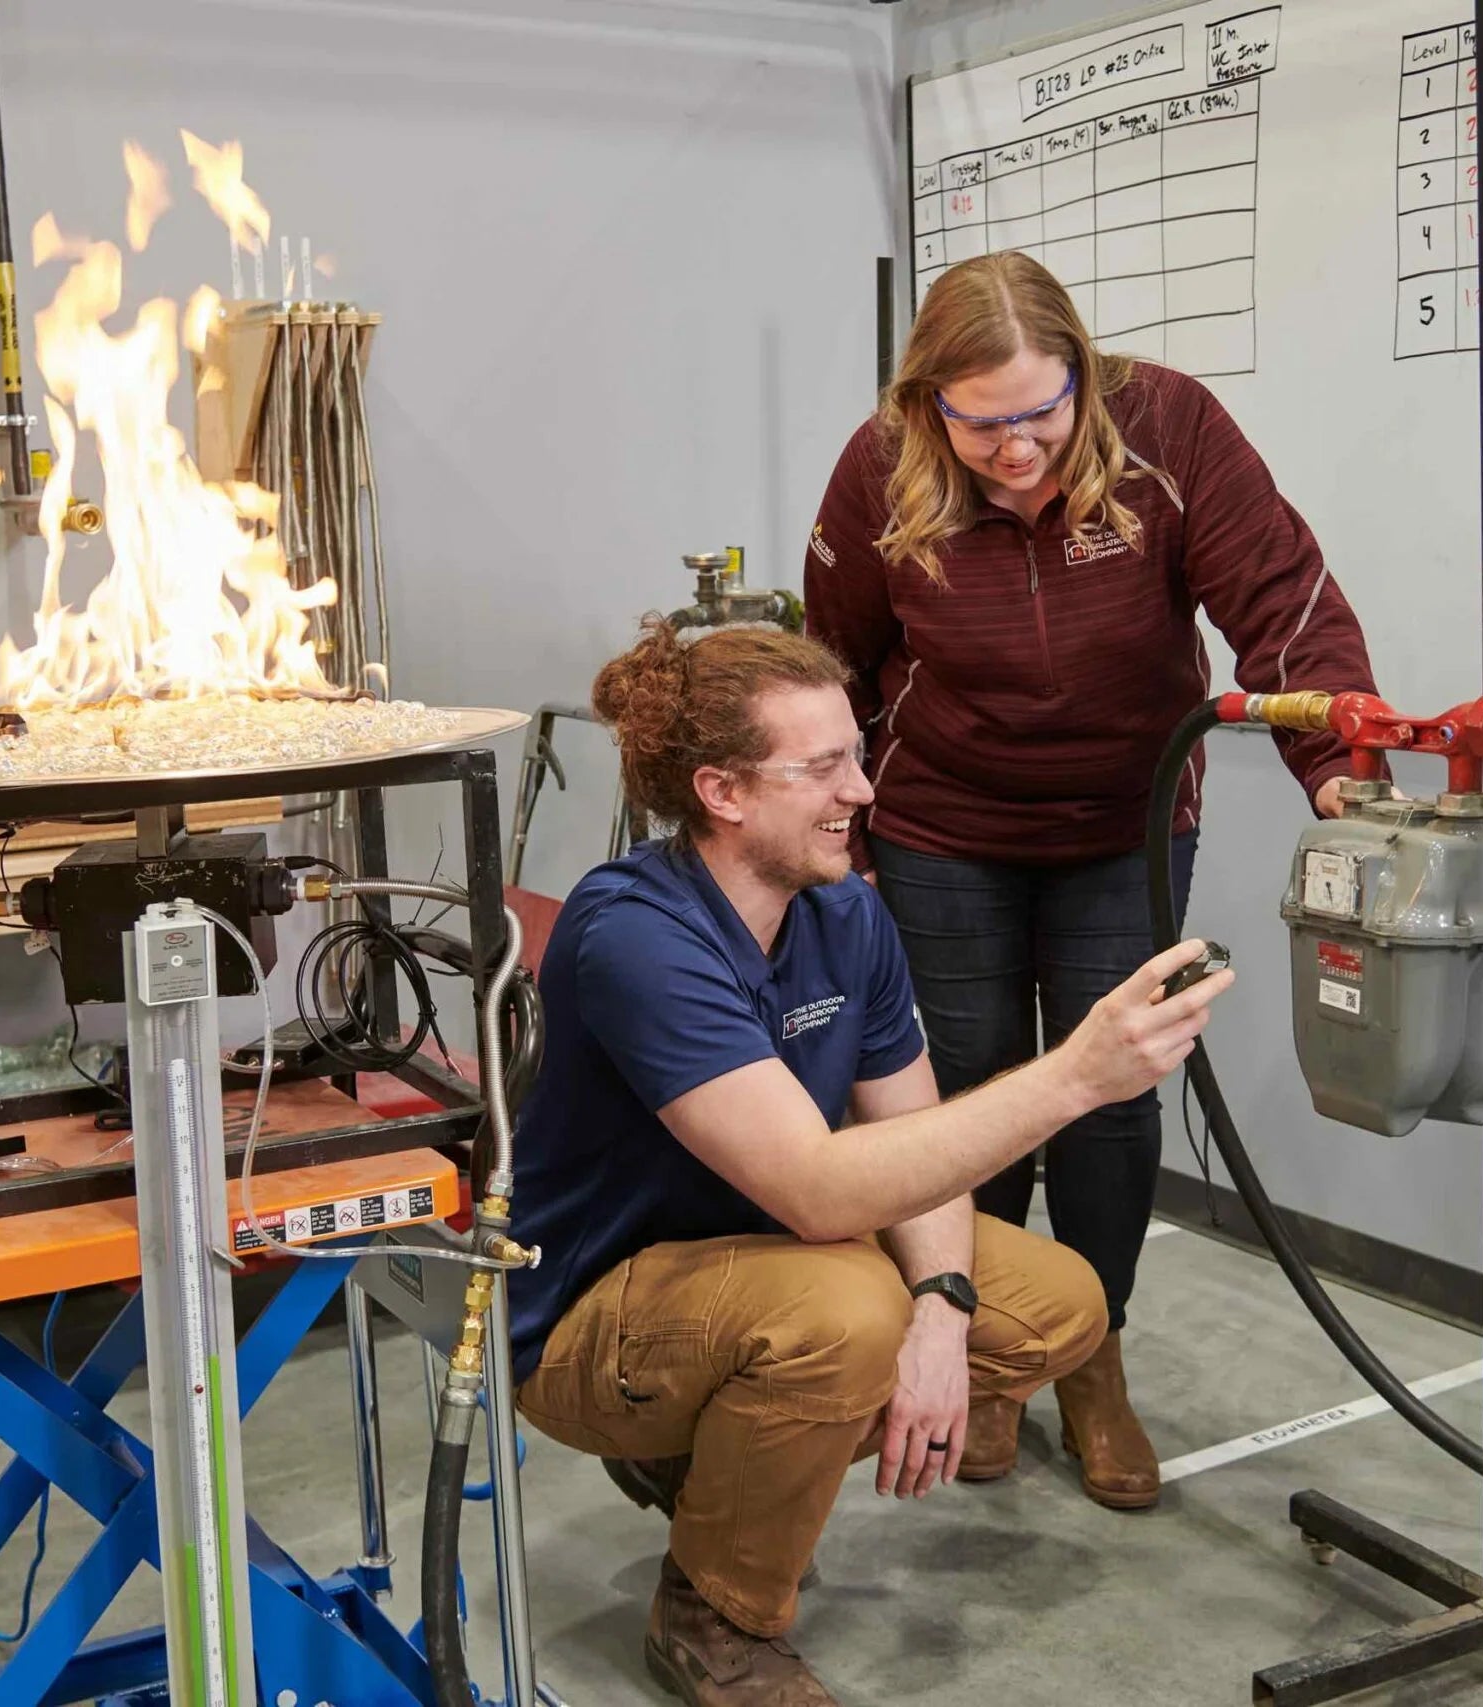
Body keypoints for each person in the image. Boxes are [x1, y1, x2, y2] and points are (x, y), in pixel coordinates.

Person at [505, 619, 1234, 1706]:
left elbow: (912, 1138)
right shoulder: (633, 933)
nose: (862, 789)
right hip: (587, 1314)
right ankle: (713, 1613)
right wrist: (1076, 1076)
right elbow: (817, 1188)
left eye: (857, 753)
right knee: (846, 1314)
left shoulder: (844, 912)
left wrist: (943, 1307)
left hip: (761, 1268)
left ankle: (718, 1455)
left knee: (1053, 1307)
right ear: (722, 792)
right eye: (823, 767)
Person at [802, 251, 1379, 1511]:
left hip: (1126, 825)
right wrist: (832, 832)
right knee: (965, 1094)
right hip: (941, 824)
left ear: (1081, 373)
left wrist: (1337, 767)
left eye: (1040, 415)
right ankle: (987, 1347)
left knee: (1110, 1101)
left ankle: (1089, 1352)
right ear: (926, 405)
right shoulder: (880, 466)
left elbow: (1282, 605)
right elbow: (833, 661)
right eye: (979, 425)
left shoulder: (1170, 427)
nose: (1015, 450)